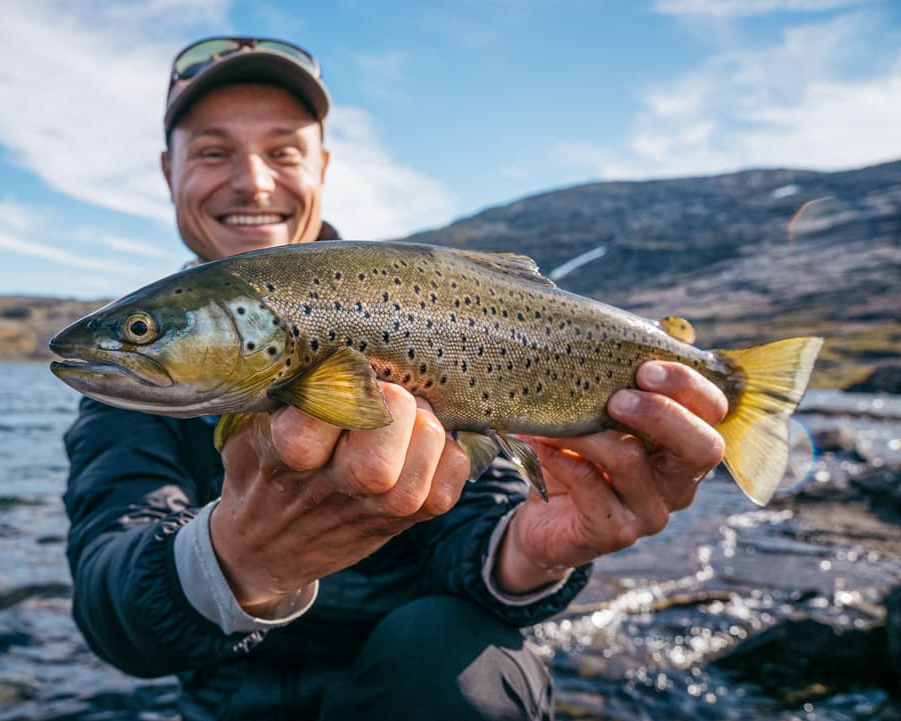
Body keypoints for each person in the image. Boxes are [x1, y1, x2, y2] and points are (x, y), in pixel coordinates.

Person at [62, 36, 729, 720]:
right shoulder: (130, 392)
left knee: (452, 656)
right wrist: (236, 557)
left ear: (321, 166)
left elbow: (481, 528)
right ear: (168, 172)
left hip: (432, 681)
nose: (254, 182)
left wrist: (536, 548)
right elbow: (108, 597)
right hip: (236, 699)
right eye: (211, 151)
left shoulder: (416, 307)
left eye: (284, 151)